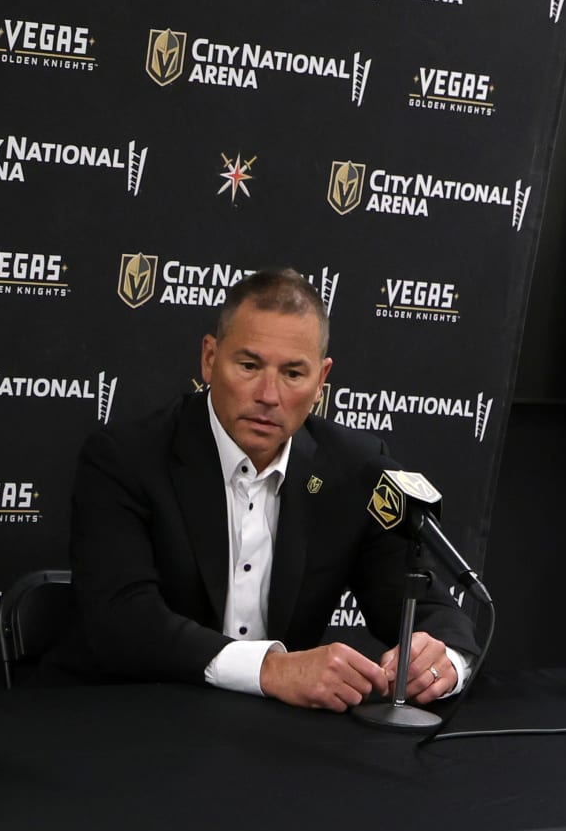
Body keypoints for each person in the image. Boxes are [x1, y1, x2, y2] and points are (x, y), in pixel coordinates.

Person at [47, 269, 477, 709]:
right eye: (249, 366)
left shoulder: (356, 469)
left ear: (321, 379)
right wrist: (270, 668)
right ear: (209, 358)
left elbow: (424, 606)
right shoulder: (126, 457)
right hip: (135, 714)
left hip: (272, 738)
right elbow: (121, 620)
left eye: (293, 373)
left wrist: (442, 661)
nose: (269, 395)